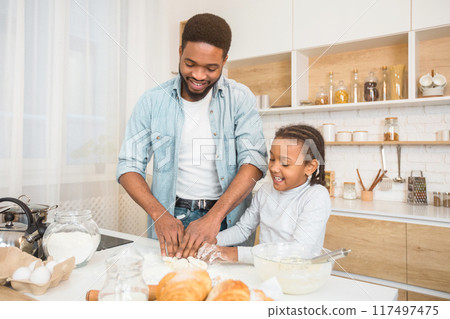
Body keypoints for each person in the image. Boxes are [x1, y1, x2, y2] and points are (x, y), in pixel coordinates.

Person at [116, 13, 267, 258]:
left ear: (225, 60)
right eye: (190, 64)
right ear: (180, 52)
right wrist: (160, 214)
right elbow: (128, 166)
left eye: (210, 68)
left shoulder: (240, 98)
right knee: (175, 290)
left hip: (229, 221)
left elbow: (253, 162)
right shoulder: (152, 101)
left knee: (229, 293)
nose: (198, 75)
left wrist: (214, 217)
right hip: (172, 221)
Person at [198, 124, 331, 264]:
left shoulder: (316, 196)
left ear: (310, 167)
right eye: (272, 159)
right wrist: (211, 240)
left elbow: (297, 251)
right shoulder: (265, 191)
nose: (273, 168)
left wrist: (234, 253)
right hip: (266, 269)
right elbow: (243, 229)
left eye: (285, 163)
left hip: (297, 275)